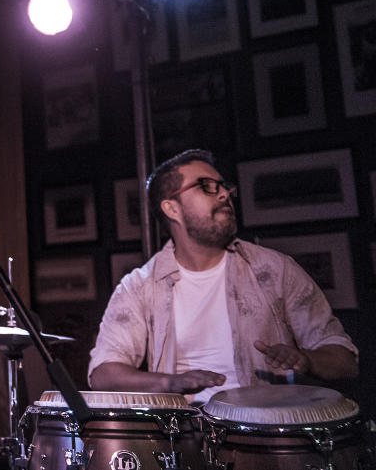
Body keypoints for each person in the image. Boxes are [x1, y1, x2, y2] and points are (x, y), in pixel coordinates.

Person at [88, 148, 358, 402]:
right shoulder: (139, 286)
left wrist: (306, 360)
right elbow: (103, 373)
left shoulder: (275, 270)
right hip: (182, 438)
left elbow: (345, 361)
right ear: (172, 209)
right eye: (207, 186)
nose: (224, 195)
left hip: (266, 439)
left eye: (224, 186)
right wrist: (170, 383)